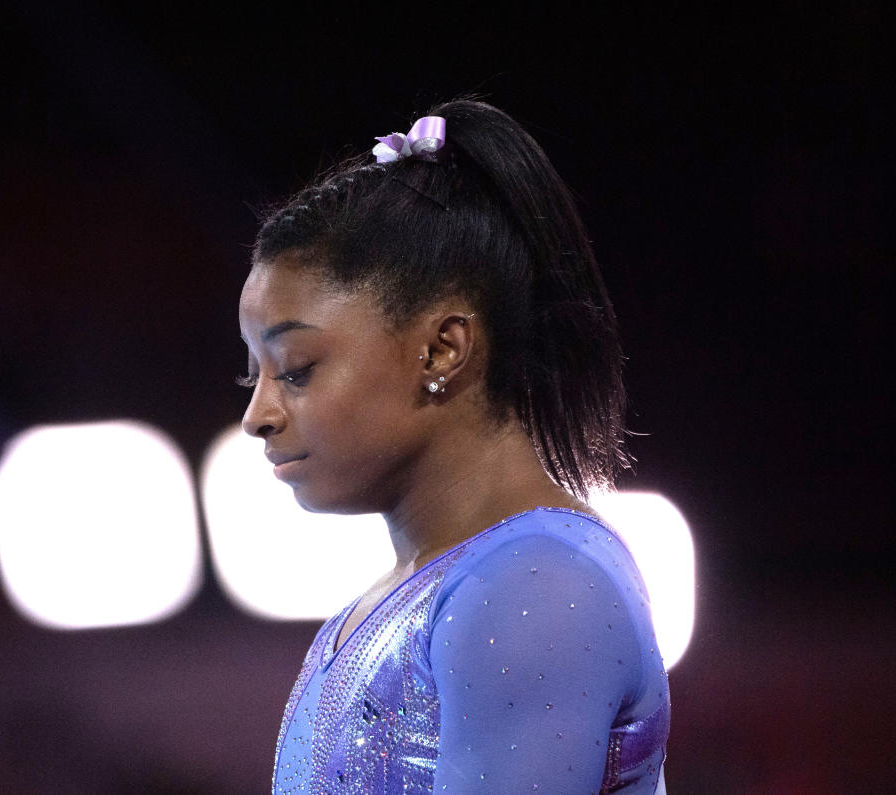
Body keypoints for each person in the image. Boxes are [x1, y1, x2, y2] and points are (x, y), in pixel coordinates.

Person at [238, 100, 670, 793]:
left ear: (442, 349)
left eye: (295, 368)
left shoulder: (538, 583)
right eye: (251, 370)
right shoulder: (412, 594)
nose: (256, 414)